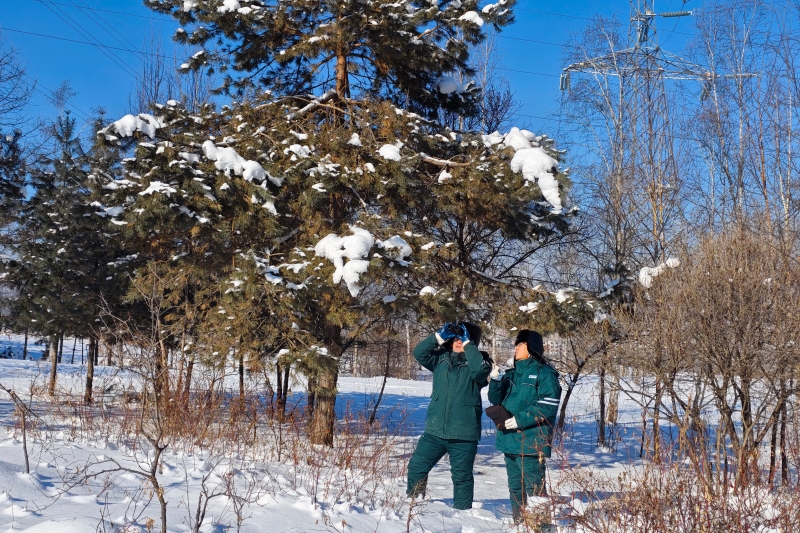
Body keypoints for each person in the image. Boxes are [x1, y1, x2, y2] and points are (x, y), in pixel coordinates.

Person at [406, 322, 492, 510]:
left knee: (461, 477)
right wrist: (438, 336)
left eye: (463, 337)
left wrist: (468, 343)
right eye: (456, 337)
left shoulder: (482, 363)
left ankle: (462, 514)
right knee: (417, 466)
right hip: (435, 431)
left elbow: (480, 372)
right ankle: (414, 505)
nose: (458, 341)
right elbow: (419, 353)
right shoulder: (440, 359)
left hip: (463, 434)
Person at [488, 329, 561, 528]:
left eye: (519, 344)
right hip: (509, 439)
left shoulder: (545, 374)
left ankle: (543, 528)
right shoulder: (511, 373)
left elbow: (548, 404)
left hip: (531, 442)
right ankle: (520, 525)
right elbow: (495, 400)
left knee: (535, 490)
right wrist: (495, 381)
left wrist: (520, 420)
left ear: (530, 348)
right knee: (515, 489)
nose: (515, 347)